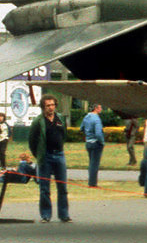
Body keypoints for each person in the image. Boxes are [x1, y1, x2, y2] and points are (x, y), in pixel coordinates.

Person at [28, 95, 71, 223]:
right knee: (44, 188)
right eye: (48, 105)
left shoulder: (60, 119)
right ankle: (46, 215)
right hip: (45, 156)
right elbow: (32, 141)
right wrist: (39, 155)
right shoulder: (38, 121)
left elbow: (64, 135)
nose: (51, 108)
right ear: (43, 107)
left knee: (62, 186)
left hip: (59, 155)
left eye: (52, 105)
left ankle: (64, 215)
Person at [81, 105, 106, 187]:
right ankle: (92, 183)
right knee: (95, 164)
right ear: (96, 108)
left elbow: (82, 128)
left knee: (91, 162)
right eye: (100, 107)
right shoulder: (96, 119)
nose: (101, 109)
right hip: (96, 143)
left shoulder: (86, 117)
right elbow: (98, 133)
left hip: (88, 142)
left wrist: (88, 135)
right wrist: (102, 142)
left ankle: (91, 181)